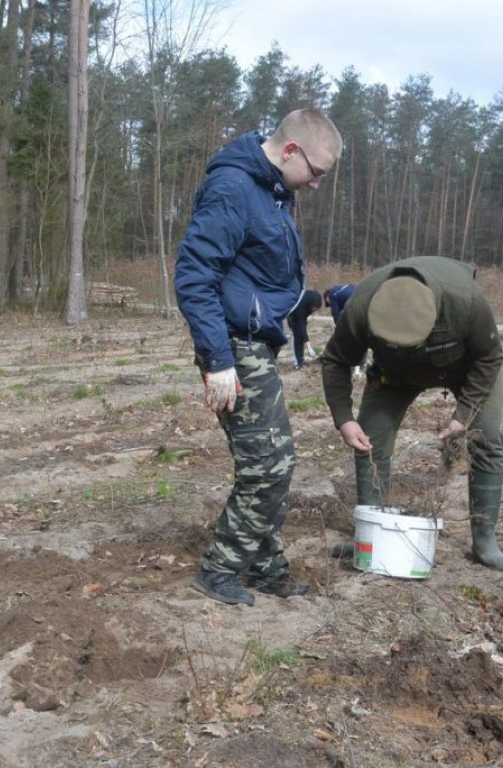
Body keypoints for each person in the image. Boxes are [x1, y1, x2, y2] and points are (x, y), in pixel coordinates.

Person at [175, 108, 343, 606]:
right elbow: (194, 276)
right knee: (269, 465)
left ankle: (265, 567)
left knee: (272, 461)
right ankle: (221, 568)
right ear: (291, 151)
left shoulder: (271, 190)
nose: (315, 185)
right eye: (316, 173)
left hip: (254, 344)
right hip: (235, 346)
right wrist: (218, 359)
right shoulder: (234, 188)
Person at [319, 255, 503, 571]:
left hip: (467, 369)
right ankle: (368, 534)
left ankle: (484, 540)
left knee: (487, 439)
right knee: (369, 441)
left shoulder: (465, 300)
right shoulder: (360, 306)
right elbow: (336, 360)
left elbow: (489, 359)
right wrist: (344, 419)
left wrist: (463, 415)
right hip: (394, 375)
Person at [287, 289, 322, 369]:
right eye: (314, 308)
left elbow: (304, 319)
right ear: (311, 304)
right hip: (292, 314)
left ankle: (301, 360)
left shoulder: (311, 301)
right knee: (296, 336)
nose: (314, 310)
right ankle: (297, 363)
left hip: (299, 316)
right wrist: (308, 345)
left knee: (301, 334)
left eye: (316, 309)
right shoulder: (301, 302)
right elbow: (301, 323)